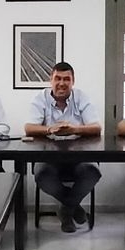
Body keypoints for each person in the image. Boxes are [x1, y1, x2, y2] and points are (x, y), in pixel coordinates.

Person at [24, 62, 102, 233]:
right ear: (50, 80)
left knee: (92, 172)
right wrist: (50, 129)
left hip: (79, 154)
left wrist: (74, 129)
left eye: (66, 79)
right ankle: (74, 207)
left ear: (73, 81)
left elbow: (96, 128)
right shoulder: (40, 98)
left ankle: (65, 210)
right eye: (57, 78)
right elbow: (29, 128)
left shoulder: (81, 97)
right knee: (42, 175)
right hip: (49, 156)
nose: (62, 83)